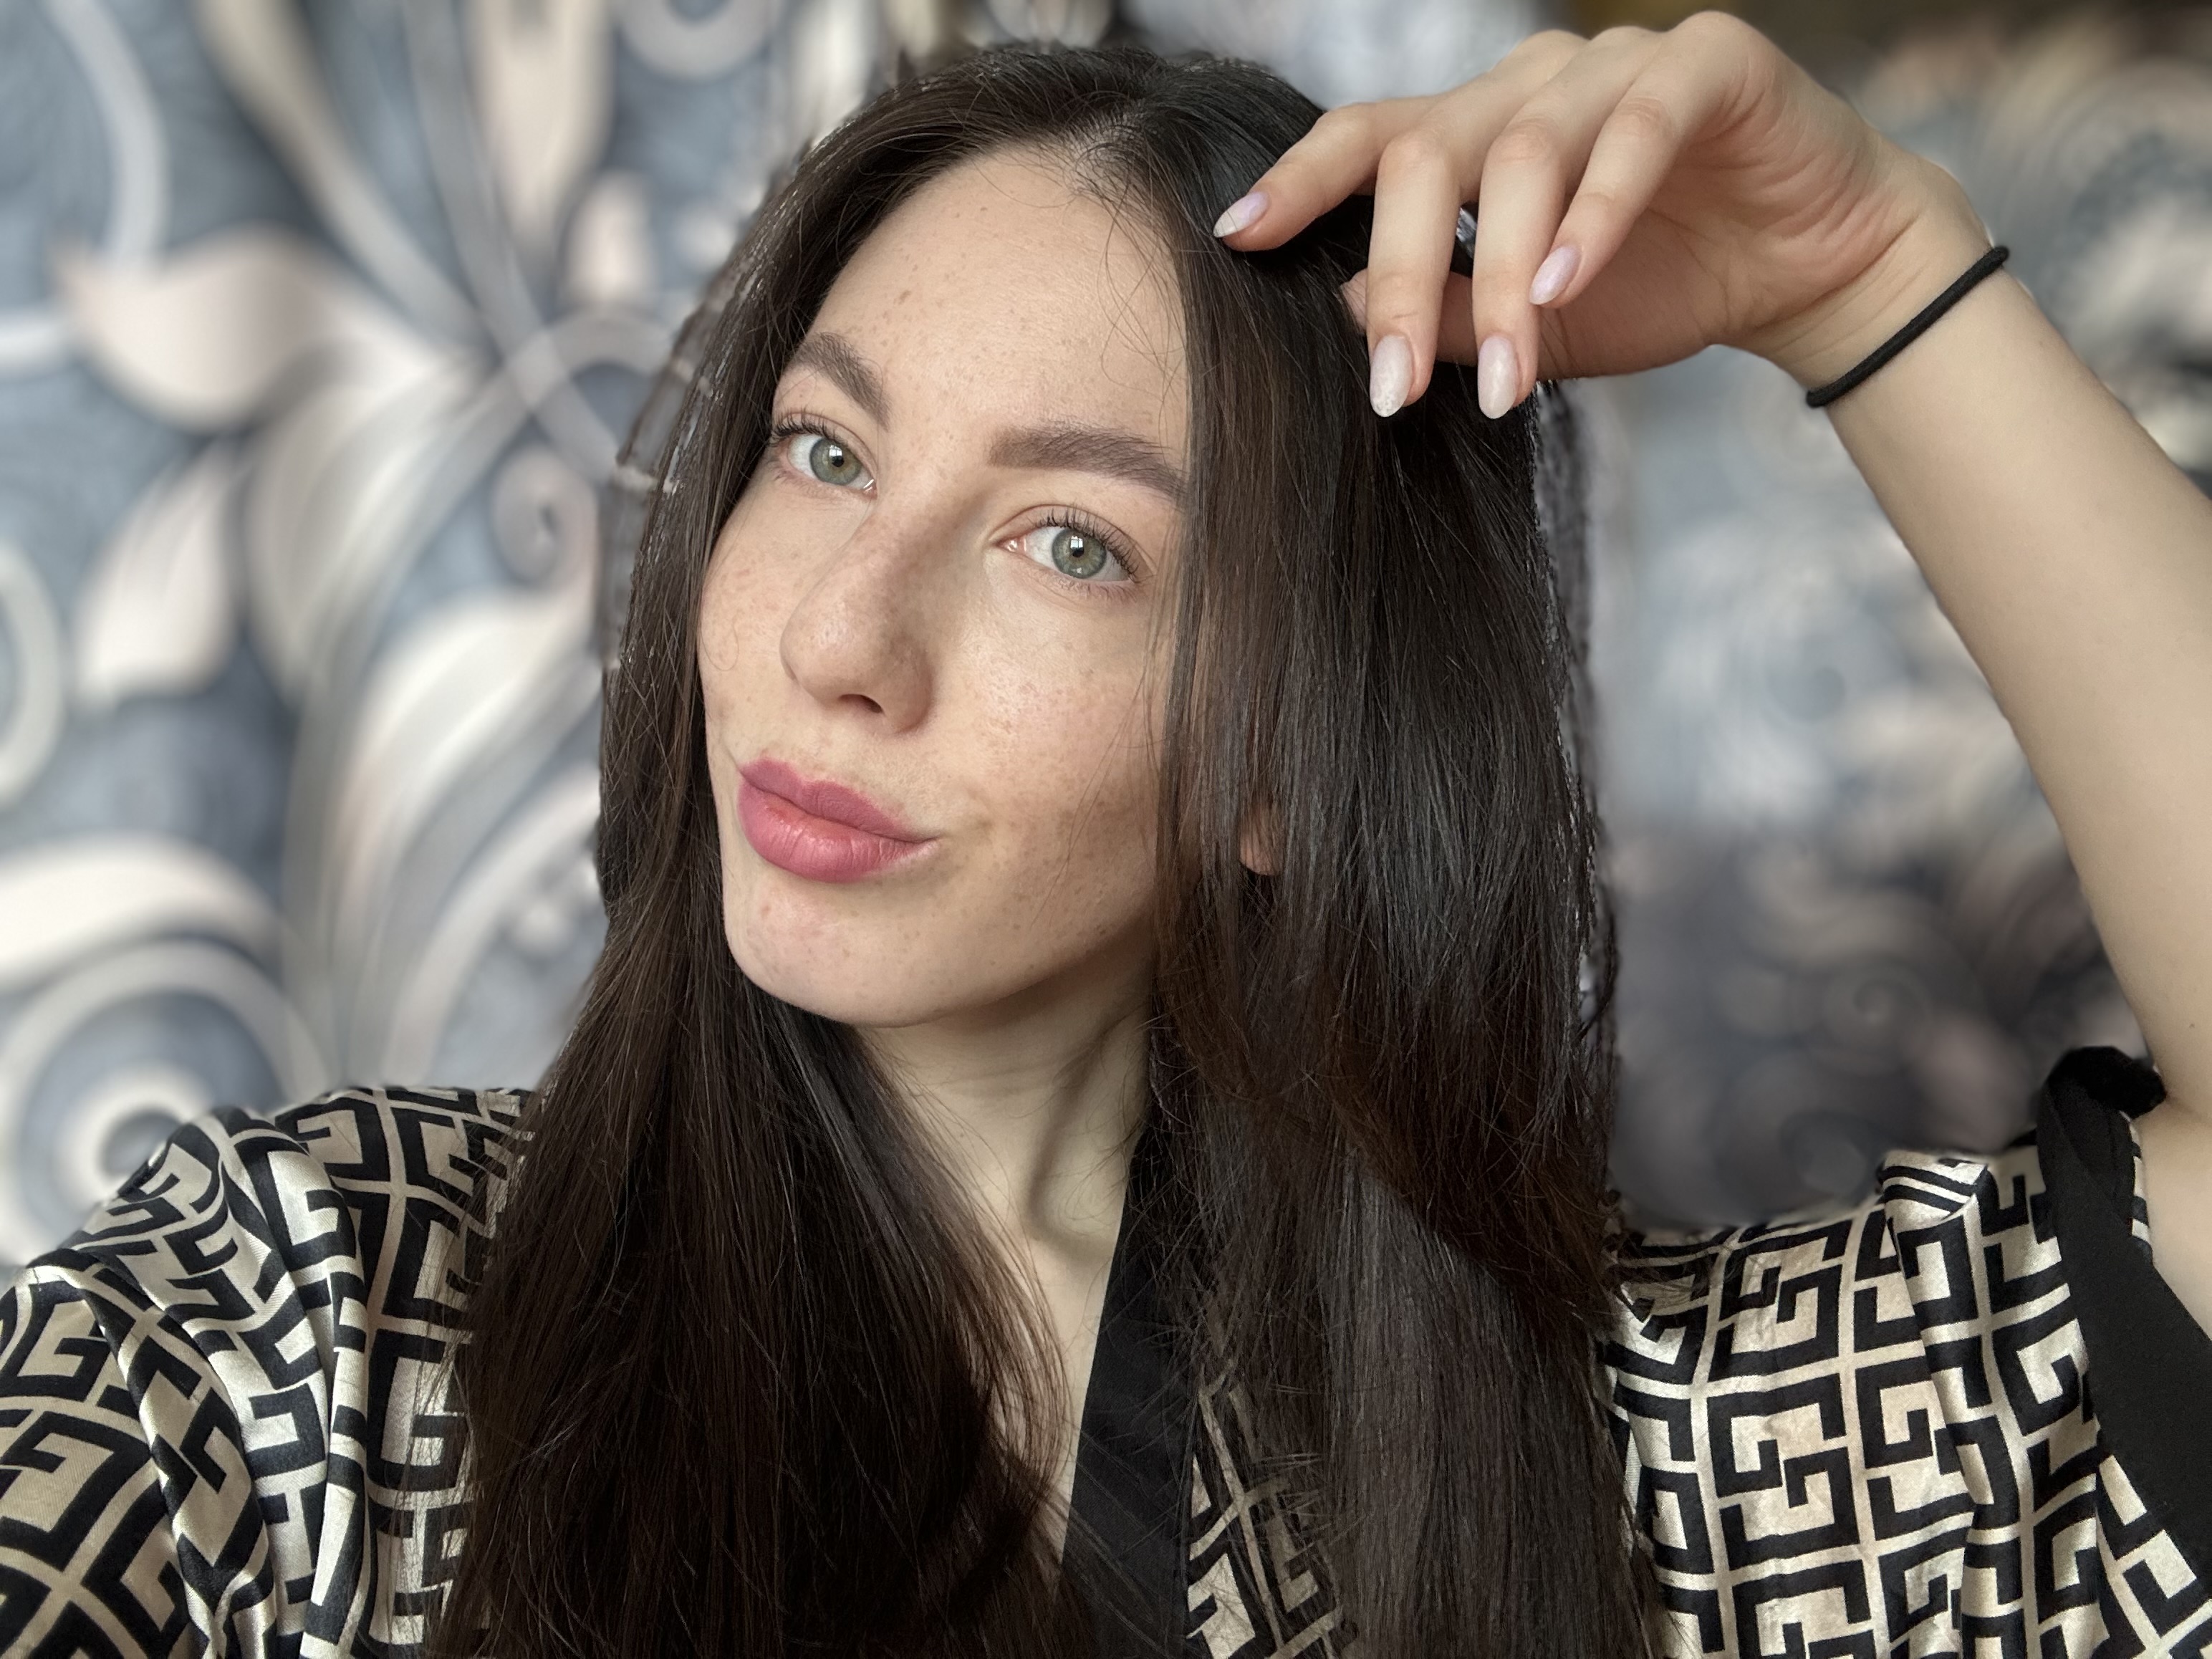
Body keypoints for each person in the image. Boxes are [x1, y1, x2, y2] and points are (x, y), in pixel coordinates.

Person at [1, 16, 2206, 1658]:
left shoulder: (1640, 1461)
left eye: (1070, 541)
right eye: (826, 452)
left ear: (1288, 763)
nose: (842, 641)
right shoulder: (306, 1323)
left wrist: (1866, 271)